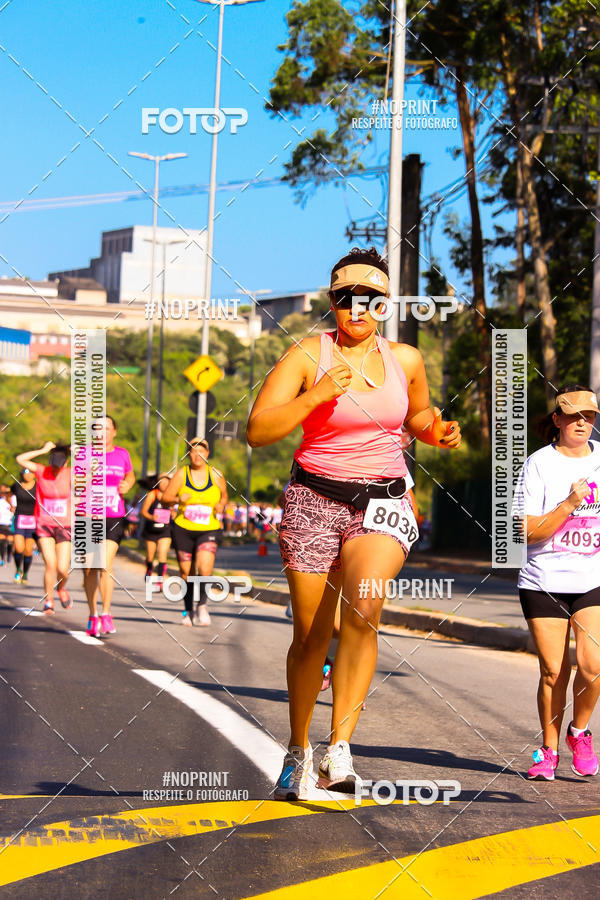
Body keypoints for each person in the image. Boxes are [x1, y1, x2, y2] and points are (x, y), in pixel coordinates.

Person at [247, 246, 461, 800]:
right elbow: (258, 430)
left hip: (382, 502)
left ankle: (339, 750)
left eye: (369, 300)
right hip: (314, 499)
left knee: (363, 611)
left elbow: (415, 414)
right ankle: (298, 752)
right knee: (312, 636)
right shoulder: (305, 355)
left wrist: (435, 431)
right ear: (333, 302)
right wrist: (317, 394)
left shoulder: (406, 359)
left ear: (385, 304)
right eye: (346, 299)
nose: (357, 309)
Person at [514, 385, 600, 780]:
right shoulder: (538, 465)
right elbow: (525, 531)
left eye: (590, 416)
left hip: (592, 578)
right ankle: (548, 752)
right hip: (543, 579)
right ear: (558, 419)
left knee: (593, 664)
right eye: (574, 415)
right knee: (553, 671)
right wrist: (568, 504)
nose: (583, 422)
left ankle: (579, 732)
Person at [161, 438, 227, 627]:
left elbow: (224, 495)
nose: (197, 455)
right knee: (185, 572)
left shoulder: (215, 474)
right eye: (193, 451)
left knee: (205, 568)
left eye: (201, 451)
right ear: (188, 454)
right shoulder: (182, 474)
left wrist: (221, 504)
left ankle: (202, 606)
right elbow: (166, 498)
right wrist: (177, 499)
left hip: (209, 528)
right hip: (184, 528)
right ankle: (187, 610)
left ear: (207, 454)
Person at [81, 416, 135, 637]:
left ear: (114, 432)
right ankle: (93, 614)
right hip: (88, 517)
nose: (101, 432)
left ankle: (106, 613)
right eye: (97, 429)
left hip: (113, 516)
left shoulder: (122, 454)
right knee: (89, 567)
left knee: (105, 562)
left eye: (106, 428)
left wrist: (128, 484)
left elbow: (130, 476)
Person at [16, 442, 72, 613]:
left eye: (59, 466)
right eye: (53, 465)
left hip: (65, 525)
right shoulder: (41, 471)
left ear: (66, 463)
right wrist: (42, 450)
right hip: (44, 525)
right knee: (51, 564)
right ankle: (49, 600)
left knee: (63, 568)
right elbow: (20, 459)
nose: (55, 469)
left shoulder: (71, 473)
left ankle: (61, 588)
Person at [140, 474, 173, 590]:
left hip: (165, 530)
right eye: (161, 483)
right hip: (151, 530)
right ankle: (149, 569)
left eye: (166, 483)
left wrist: (173, 514)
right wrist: (151, 517)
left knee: (162, 554)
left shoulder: (171, 496)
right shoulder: (152, 495)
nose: (164, 485)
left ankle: (160, 581)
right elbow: (143, 512)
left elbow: (175, 511)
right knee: (150, 557)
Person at [11, 468, 37, 584]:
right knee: (18, 547)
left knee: (28, 550)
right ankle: (18, 569)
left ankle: (25, 574)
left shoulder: (38, 486)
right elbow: (8, 494)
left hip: (33, 520)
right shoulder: (16, 485)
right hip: (19, 518)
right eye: (24, 473)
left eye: (29, 473)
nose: (27, 475)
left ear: (34, 474)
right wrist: (11, 505)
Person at [0, 485, 15, 567]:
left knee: (10, 541)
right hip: (1, 524)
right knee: (2, 540)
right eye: (2, 492)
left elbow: (16, 511)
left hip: (10, 524)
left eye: (5, 492)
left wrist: (13, 509)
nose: (3, 494)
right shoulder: (1, 501)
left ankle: (9, 554)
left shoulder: (13, 501)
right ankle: (2, 558)